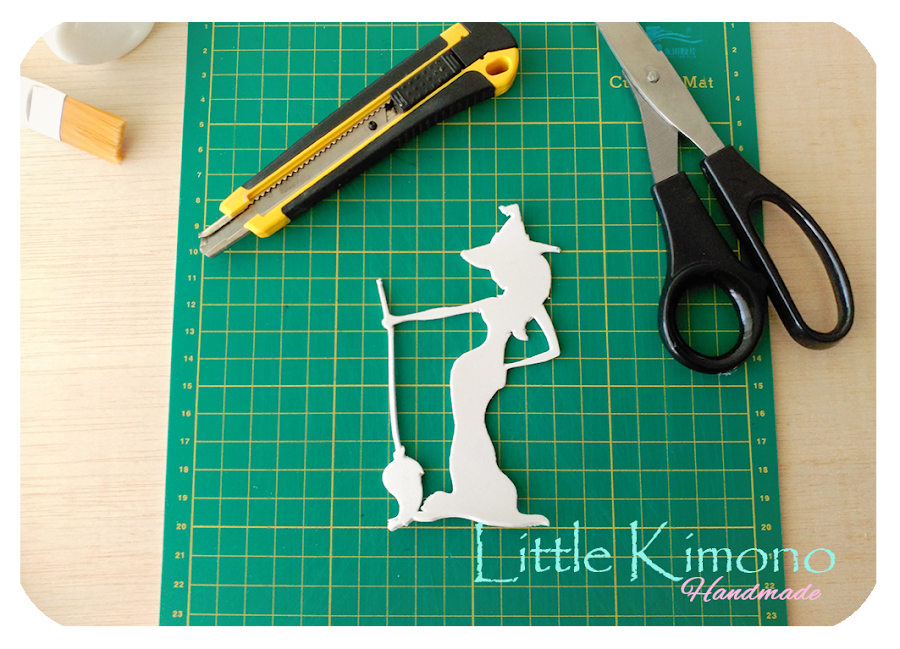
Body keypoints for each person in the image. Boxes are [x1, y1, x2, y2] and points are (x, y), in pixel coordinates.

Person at [381, 205, 560, 527]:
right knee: (465, 428)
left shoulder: (527, 304)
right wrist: (400, 319)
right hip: (471, 368)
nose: (494, 273)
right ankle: (468, 491)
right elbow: (446, 311)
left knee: (469, 429)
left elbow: (552, 350)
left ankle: (477, 494)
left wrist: (510, 366)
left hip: (485, 368)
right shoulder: (503, 303)